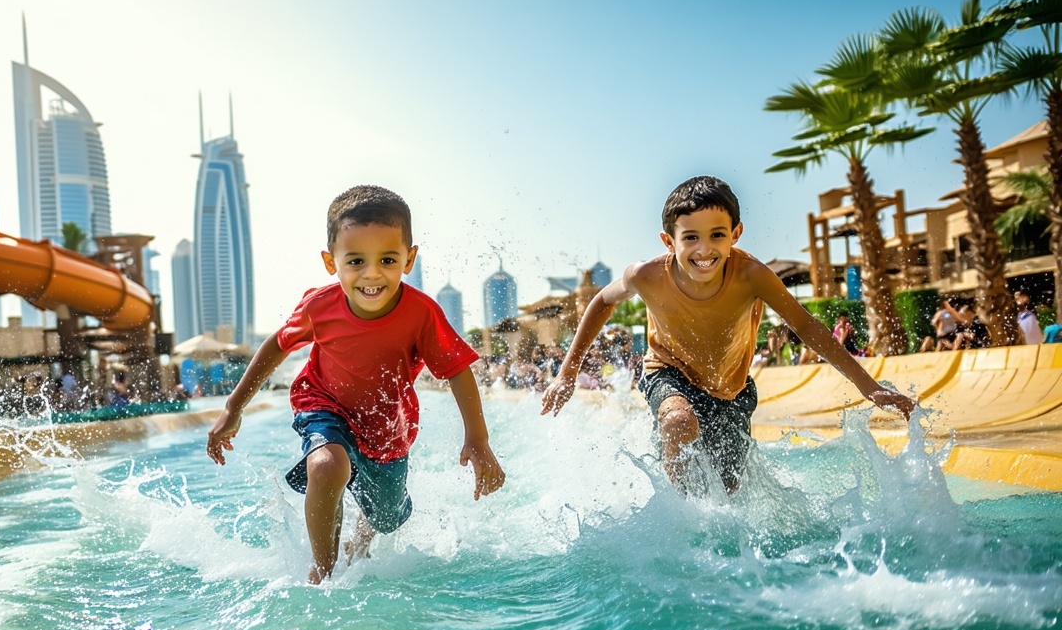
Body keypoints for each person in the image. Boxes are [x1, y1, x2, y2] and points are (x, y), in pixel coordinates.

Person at [539, 176, 914, 495]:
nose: (704, 249)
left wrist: (868, 386)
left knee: (728, 492)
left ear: (735, 234)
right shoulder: (645, 275)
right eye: (690, 238)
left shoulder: (752, 275)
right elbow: (602, 302)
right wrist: (566, 374)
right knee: (678, 421)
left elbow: (805, 326)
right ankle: (679, 515)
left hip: (729, 389)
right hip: (667, 371)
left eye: (717, 235)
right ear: (669, 241)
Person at [207, 185, 505, 584]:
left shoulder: (421, 313)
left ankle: (359, 538)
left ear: (409, 258)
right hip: (325, 401)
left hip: (387, 425)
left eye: (387, 259)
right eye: (355, 261)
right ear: (331, 262)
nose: (371, 273)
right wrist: (233, 407)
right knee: (328, 466)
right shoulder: (320, 306)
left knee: (385, 519)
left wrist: (478, 438)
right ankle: (324, 573)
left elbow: (456, 369)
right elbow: (277, 346)